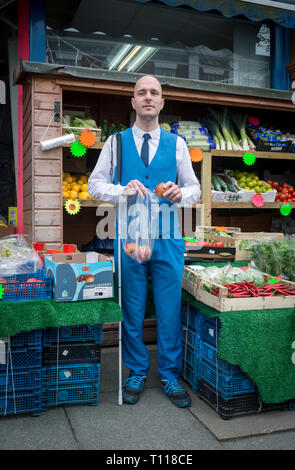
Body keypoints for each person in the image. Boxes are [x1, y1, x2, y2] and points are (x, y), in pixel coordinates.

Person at [88, 75, 201, 408]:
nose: (148, 97)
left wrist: (183, 194)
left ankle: (168, 373)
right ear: (133, 102)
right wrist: (120, 190)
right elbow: (95, 185)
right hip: (127, 238)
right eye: (142, 93)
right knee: (132, 309)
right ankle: (136, 370)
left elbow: (194, 189)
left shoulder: (178, 145)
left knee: (169, 310)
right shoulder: (115, 143)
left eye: (154, 93)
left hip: (169, 237)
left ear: (162, 103)